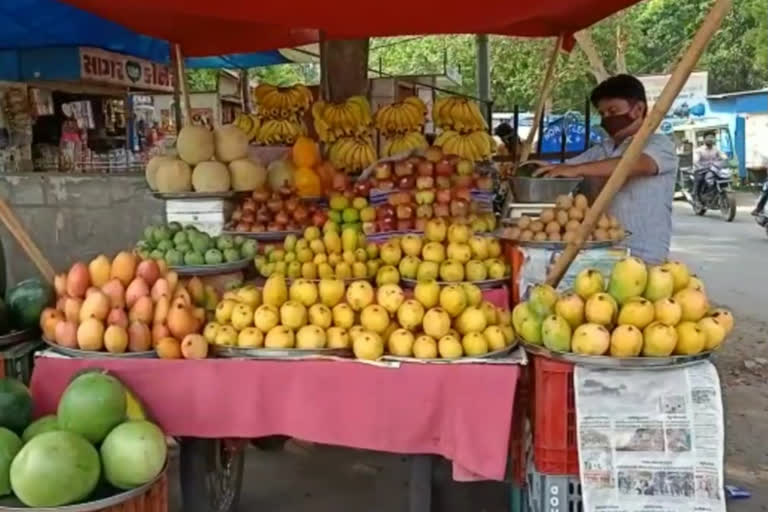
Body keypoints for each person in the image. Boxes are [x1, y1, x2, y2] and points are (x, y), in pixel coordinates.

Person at [533, 74, 678, 264]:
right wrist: (543, 169)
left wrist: (577, 169)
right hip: (602, 253)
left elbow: (633, 164)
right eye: (602, 114)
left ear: (638, 109)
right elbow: (566, 168)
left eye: (613, 110)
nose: (607, 118)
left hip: (643, 255)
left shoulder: (659, 144)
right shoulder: (602, 149)